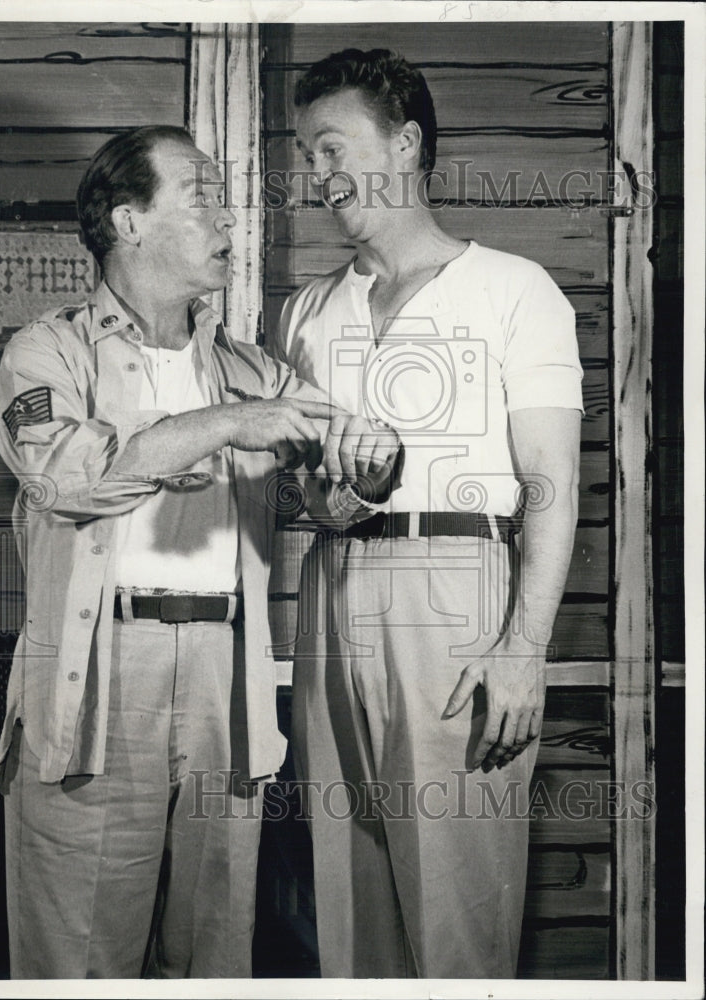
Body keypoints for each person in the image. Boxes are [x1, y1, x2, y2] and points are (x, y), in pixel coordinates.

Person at [0, 124, 400, 979]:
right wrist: (225, 425)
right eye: (203, 194)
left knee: (214, 954)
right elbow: (65, 475)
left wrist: (366, 466)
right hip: (102, 677)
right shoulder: (47, 351)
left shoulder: (256, 371)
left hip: (228, 680)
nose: (228, 215)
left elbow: (326, 500)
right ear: (127, 219)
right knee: (79, 962)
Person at [271, 49, 583, 978]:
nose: (316, 176)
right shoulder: (304, 314)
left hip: (458, 590)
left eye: (332, 149)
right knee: (347, 893)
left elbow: (549, 483)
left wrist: (524, 647)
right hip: (334, 589)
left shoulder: (515, 290)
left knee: (457, 906)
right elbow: (296, 488)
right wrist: (328, 498)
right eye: (305, 155)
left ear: (405, 145)